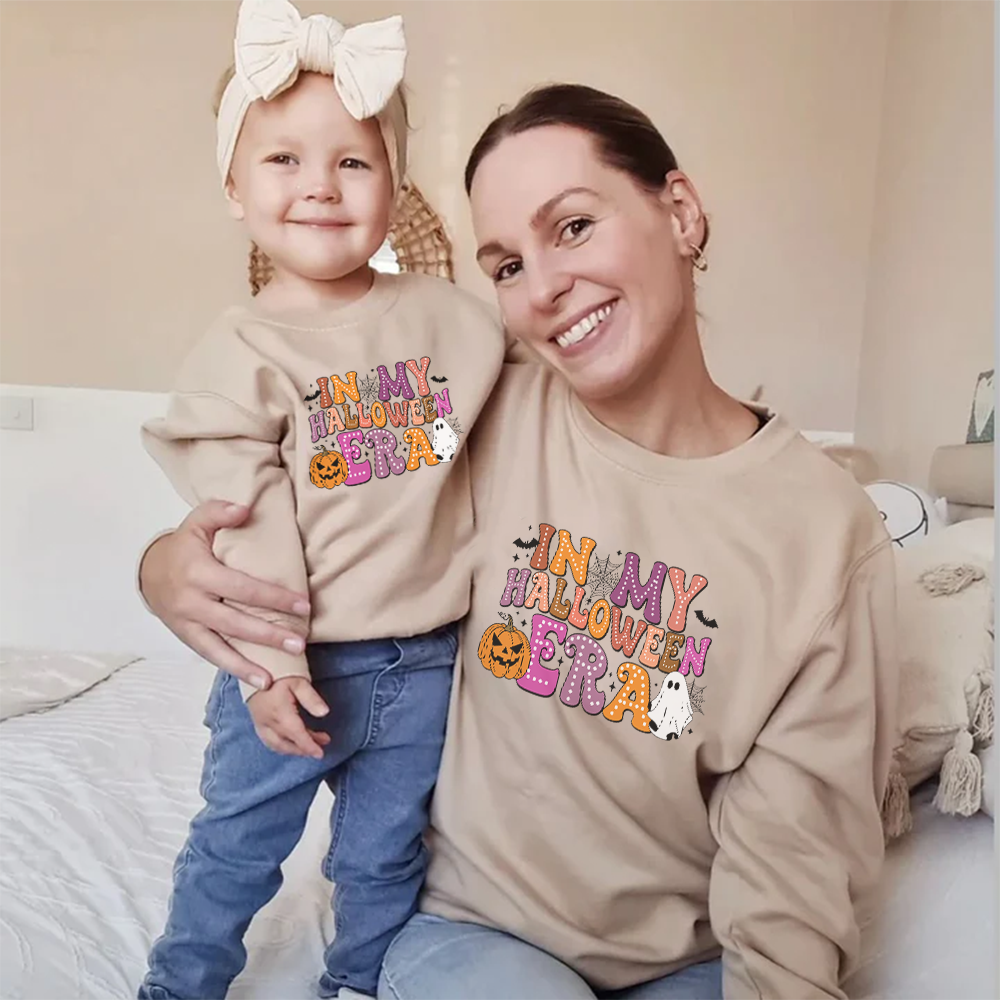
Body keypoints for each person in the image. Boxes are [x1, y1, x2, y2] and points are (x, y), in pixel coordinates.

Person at [139, 81, 898, 1000]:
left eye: (574, 227)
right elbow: (296, 471)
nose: (542, 288)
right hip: (474, 928)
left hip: (684, 959)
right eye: (503, 265)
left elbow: (797, 860)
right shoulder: (474, 413)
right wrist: (164, 566)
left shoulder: (823, 532)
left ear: (682, 212)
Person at [135, 2, 505, 998]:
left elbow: (535, 402)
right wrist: (268, 669)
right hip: (293, 664)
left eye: (353, 161)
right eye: (283, 161)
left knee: (385, 853)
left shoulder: (452, 323)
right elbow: (245, 520)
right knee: (236, 846)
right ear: (233, 187)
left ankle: (358, 979)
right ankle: (184, 981)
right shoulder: (241, 351)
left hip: (428, 657)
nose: (319, 187)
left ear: (393, 184)